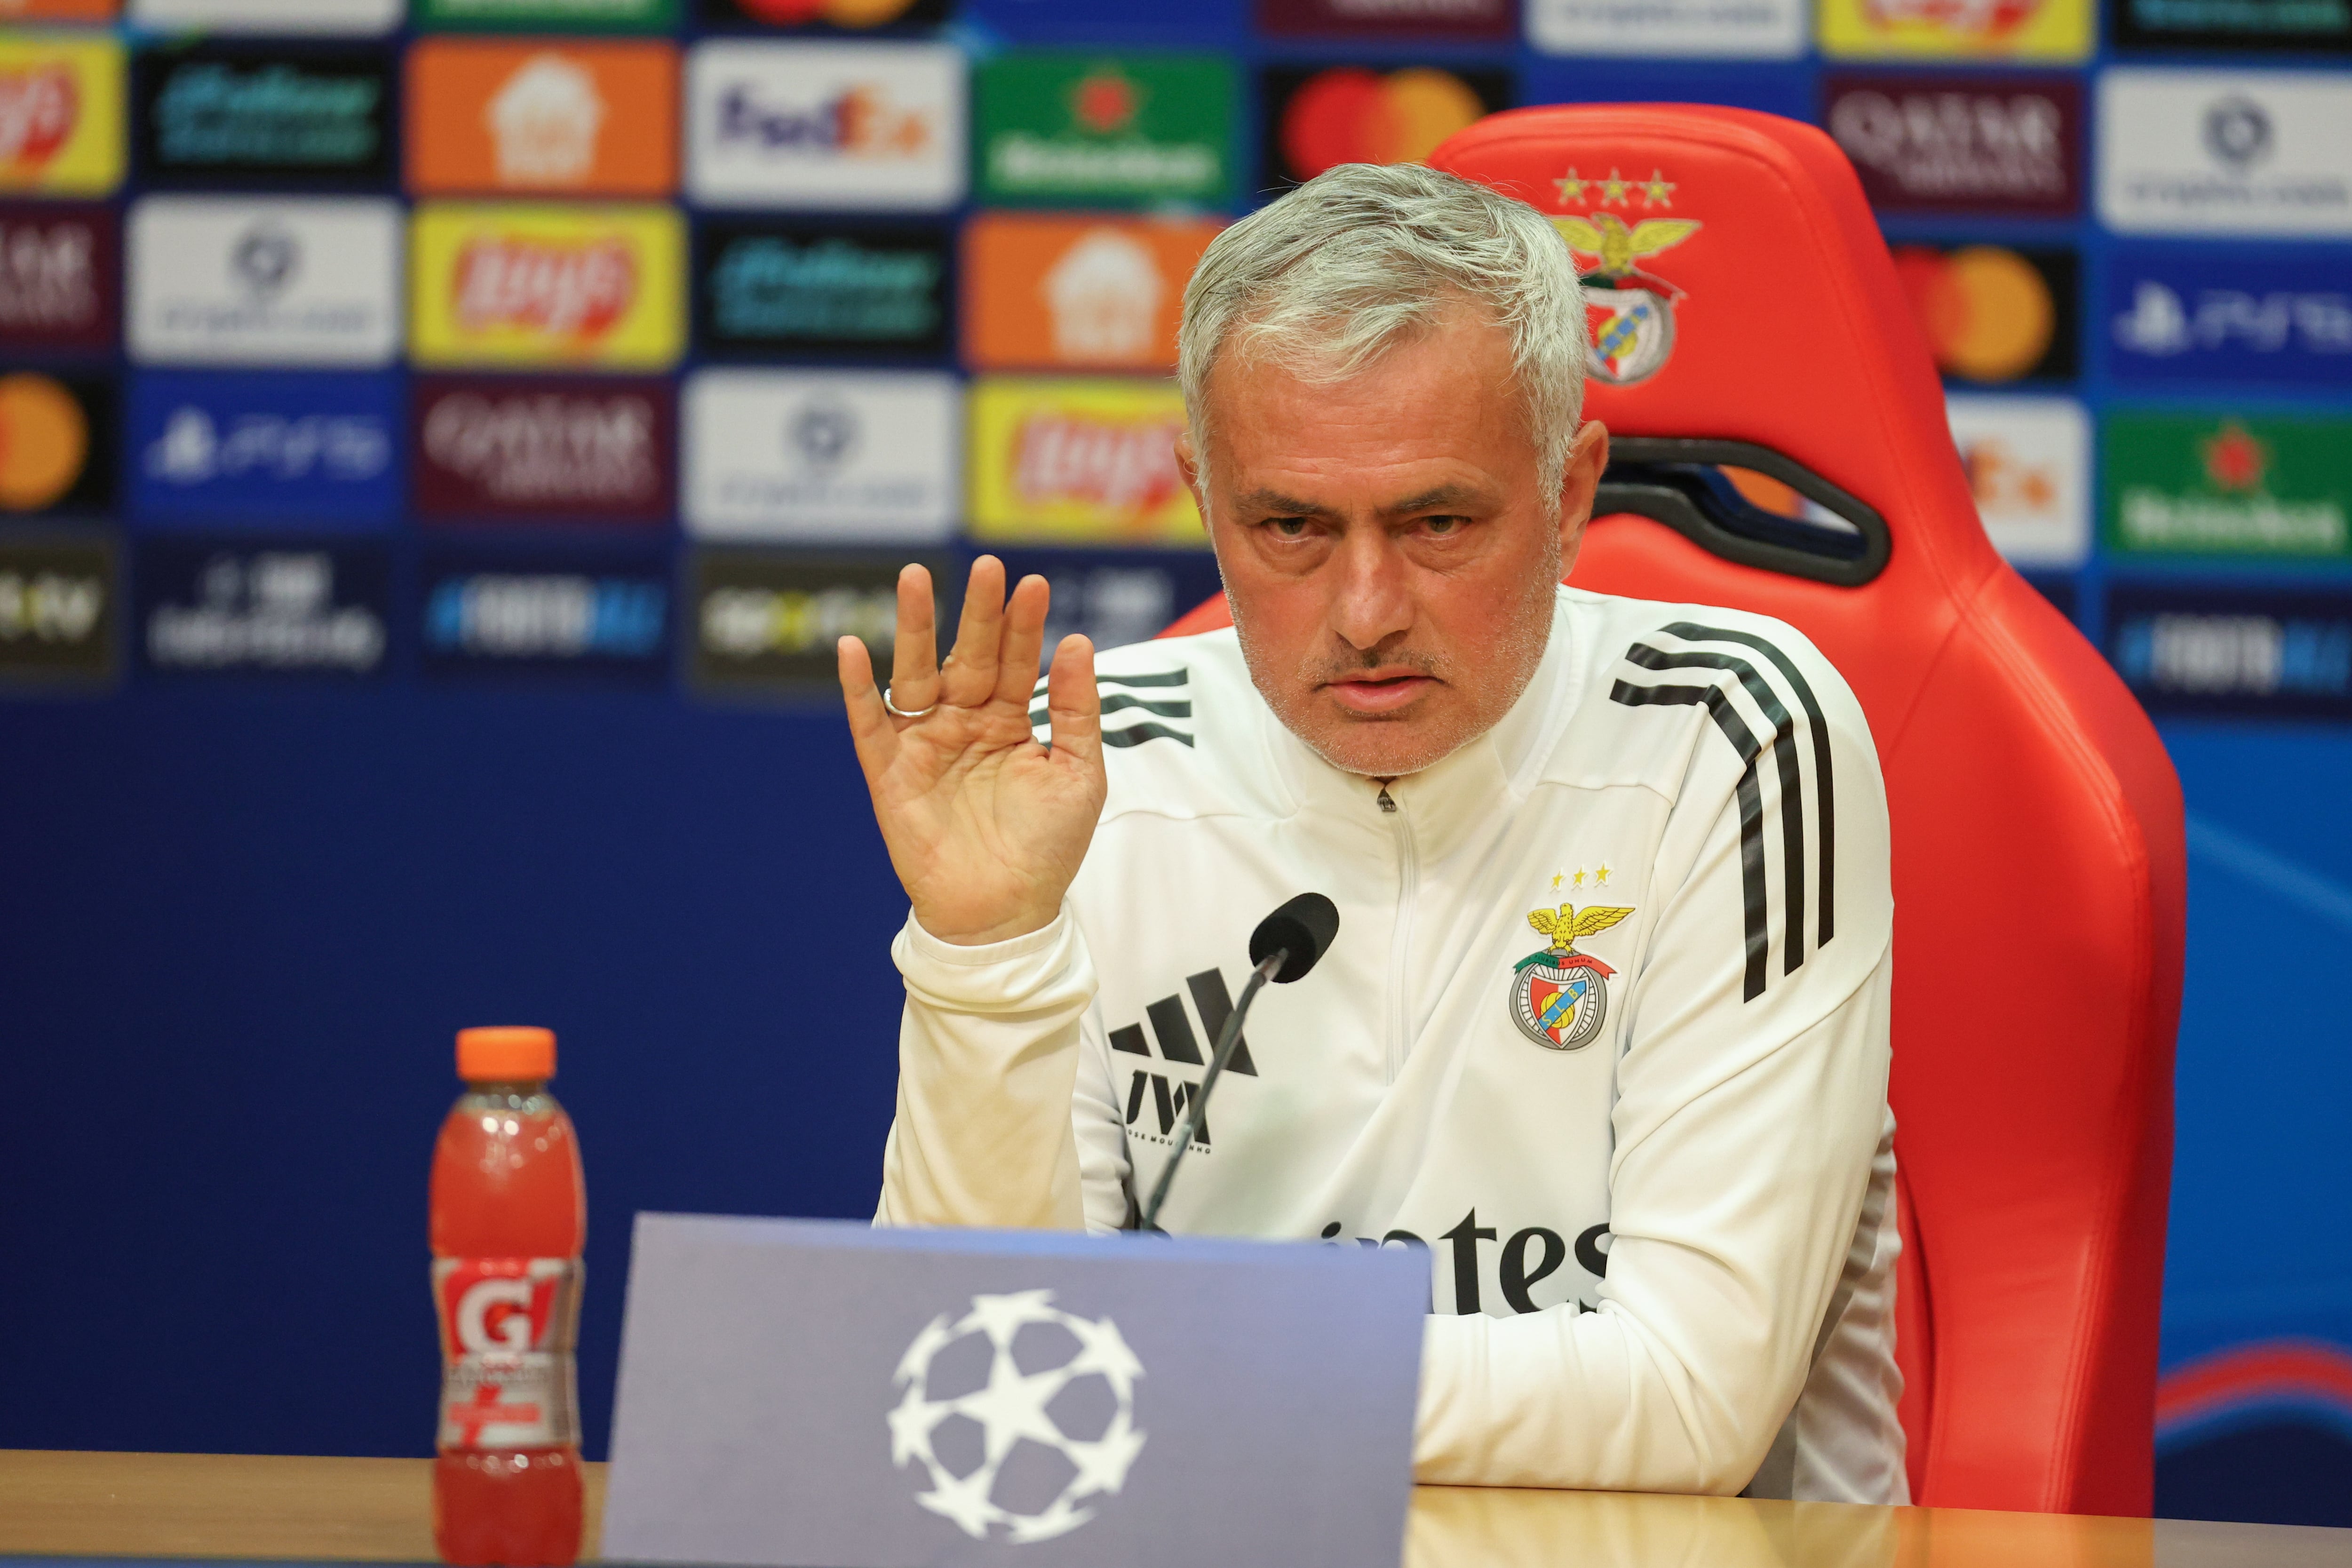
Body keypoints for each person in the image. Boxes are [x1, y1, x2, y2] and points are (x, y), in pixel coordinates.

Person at [837, 162, 1904, 1502]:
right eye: (1290, 526)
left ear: (1572, 497)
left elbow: (1689, 1403)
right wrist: (984, 953)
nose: (1364, 610)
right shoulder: (1088, 777)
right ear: (1202, 494)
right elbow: (964, 1394)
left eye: (1438, 522)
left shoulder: (1733, 736)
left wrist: (1150, 1364)